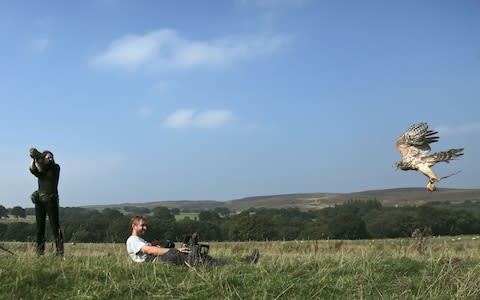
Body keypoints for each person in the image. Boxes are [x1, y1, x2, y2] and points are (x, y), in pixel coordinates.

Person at [126, 216, 259, 266]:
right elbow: (150, 250)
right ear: (134, 226)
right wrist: (174, 250)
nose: (145, 227)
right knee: (188, 255)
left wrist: (168, 246)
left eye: (145, 225)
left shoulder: (140, 239)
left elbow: (153, 247)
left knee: (193, 253)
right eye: (142, 225)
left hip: (158, 259)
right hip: (154, 262)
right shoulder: (133, 240)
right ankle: (242, 263)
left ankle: (239, 262)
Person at [29, 147, 63, 256]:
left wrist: (40, 158)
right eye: (48, 157)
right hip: (40, 200)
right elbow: (32, 168)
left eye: (51, 157)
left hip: (51, 200)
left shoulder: (55, 167)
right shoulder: (41, 170)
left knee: (55, 227)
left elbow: (43, 167)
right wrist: (34, 159)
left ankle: (60, 253)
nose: (51, 158)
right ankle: (40, 253)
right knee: (40, 228)